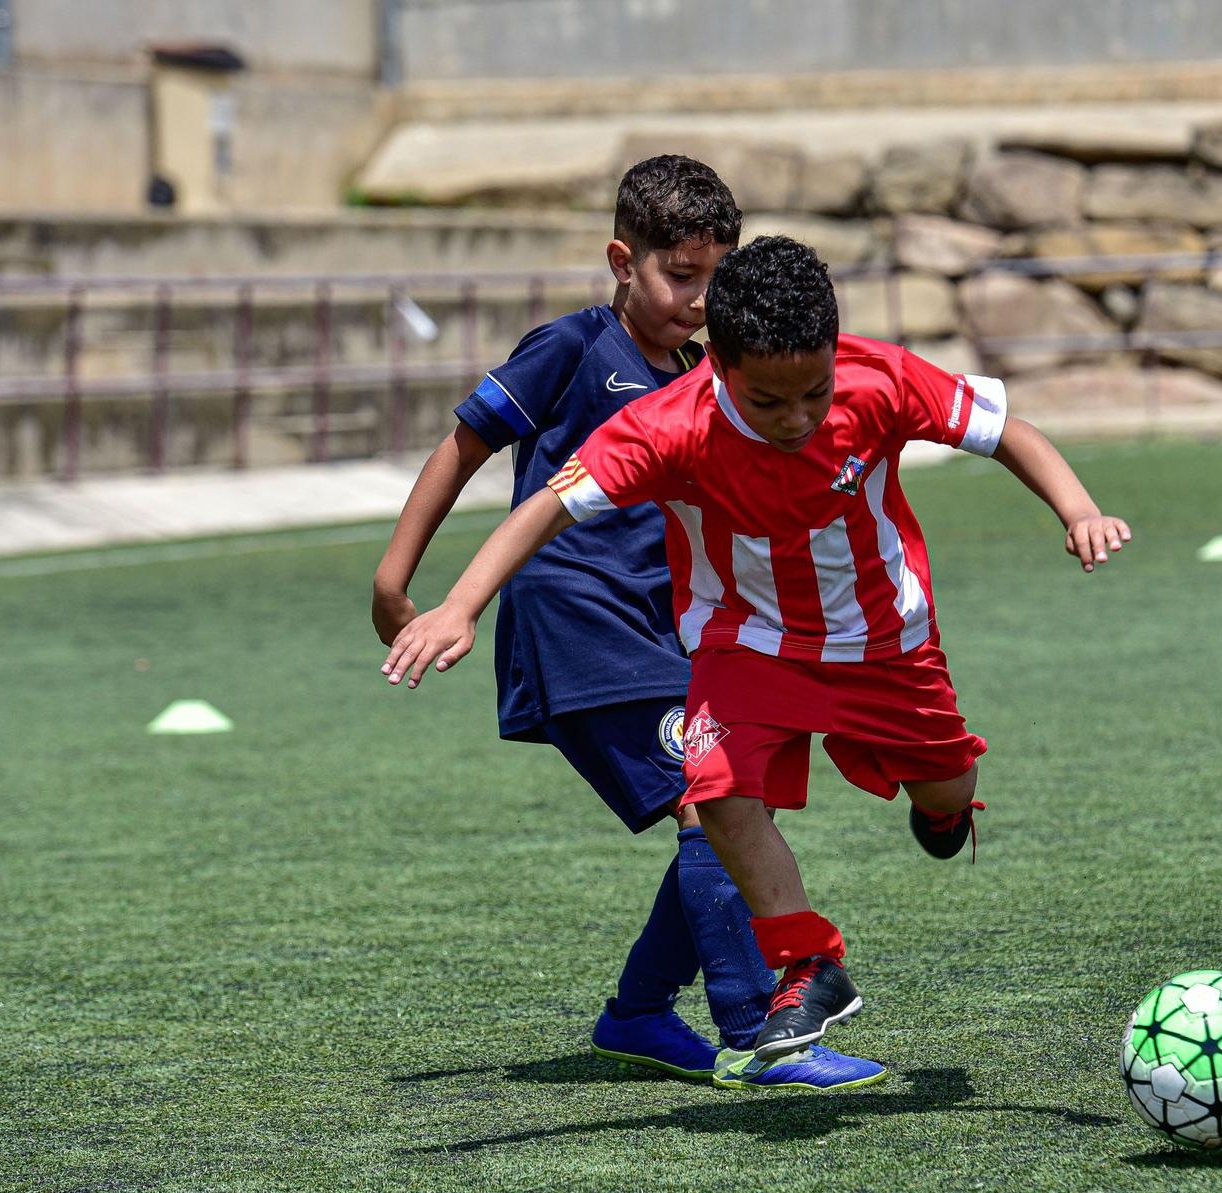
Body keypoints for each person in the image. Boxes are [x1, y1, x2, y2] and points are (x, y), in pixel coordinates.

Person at [380, 235, 1131, 1077]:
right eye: (771, 402)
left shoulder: (877, 377)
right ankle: (806, 961)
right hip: (749, 644)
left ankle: (946, 809)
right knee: (717, 788)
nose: (800, 417)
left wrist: (1078, 508)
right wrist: (460, 603)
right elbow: (547, 508)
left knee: (947, 784)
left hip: (888, 645)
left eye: (815, 392)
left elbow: (1005, 432)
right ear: (721, 368)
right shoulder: (670, 424)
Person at [371, 158, 882, 1092]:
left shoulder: (708, 377)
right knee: (710, 797)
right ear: (622, 259)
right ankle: (753, 1033)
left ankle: (641, 1014)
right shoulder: (570, 349)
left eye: (712, 281)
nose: (697, 300)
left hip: (664, 623)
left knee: (733, 803)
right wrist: (397, 581)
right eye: (678, 277)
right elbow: (464, 447)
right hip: (572, 614)